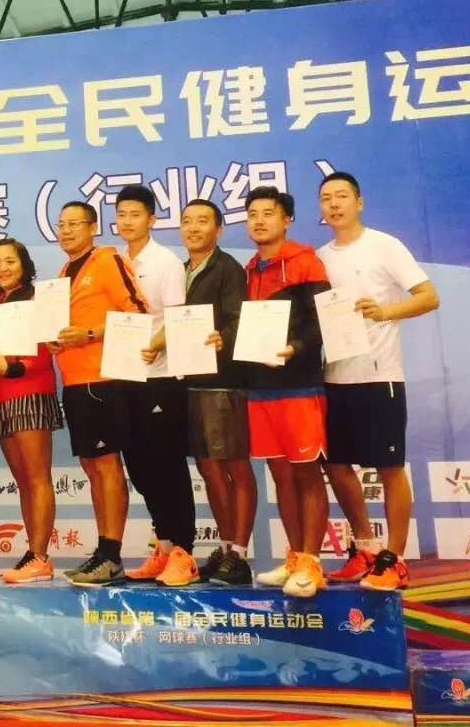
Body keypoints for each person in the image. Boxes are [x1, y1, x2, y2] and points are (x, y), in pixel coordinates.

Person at [317, 171, 439, 591]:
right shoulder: (319, 258)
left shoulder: (384, 245)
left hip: (379, 375)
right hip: (335, 376)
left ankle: (395, 559)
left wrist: (386, 312)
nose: (334, 204)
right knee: (336, 466)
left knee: (389, 468)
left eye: (342, 196)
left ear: (360, 202)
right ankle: (366, 548)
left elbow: (429, 296)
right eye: (327, 198)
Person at [50, 201, 148, 587]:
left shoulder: (107, 260)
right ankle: (103, 551)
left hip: (106, 379)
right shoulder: (64, 272)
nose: (67, 230)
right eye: (62, 224)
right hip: (75, 382)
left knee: (107, 465)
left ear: (93, 228)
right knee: (92, 467)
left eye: (75, 224)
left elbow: (139, 312)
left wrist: (90, 334)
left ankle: (112, 554)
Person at [242, 187, 332, 598]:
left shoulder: (305, 262)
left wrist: (295, 347)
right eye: (252, 214)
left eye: (268, 213)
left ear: (286, 220)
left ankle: (312, 562)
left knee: (306, 472)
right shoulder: (249, 270)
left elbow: (322, 321)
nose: (259, 220)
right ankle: (295, 556)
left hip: (299, 384)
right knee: (281, 474)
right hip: (260, 388)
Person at [112, 185, 198, 587]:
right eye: (121, 214)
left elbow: (179, 318)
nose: (127, 222)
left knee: (168, 468)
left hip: (161, 378)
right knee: (142, 470)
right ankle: (163, 548)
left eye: (135, 214)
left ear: (151, 219)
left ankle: (184, 553)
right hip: (124, 377)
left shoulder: (165, 262)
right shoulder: (114, 261)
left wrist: (156, 345)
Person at [178, 199, 255, 586]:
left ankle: (239, 553)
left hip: (224, 381)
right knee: (208, 469)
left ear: (219, 229)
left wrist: (224, 338)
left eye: (202, 221)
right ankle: (226, 547)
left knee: (235, 466)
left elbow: (240, 318)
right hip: (189, 381)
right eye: (187, 221)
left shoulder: (228, 268)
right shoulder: (182, 270)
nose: (193, 228)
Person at [0, 238, 63, 584]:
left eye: (10, 261)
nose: (3, 268)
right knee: (23, 481)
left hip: (30, 392)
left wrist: (13, 369)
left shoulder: (38, 300)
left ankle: (40, 556)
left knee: (37, 477)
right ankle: (33, 553)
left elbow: (47, 352)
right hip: (1, 398)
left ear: (24, 265)